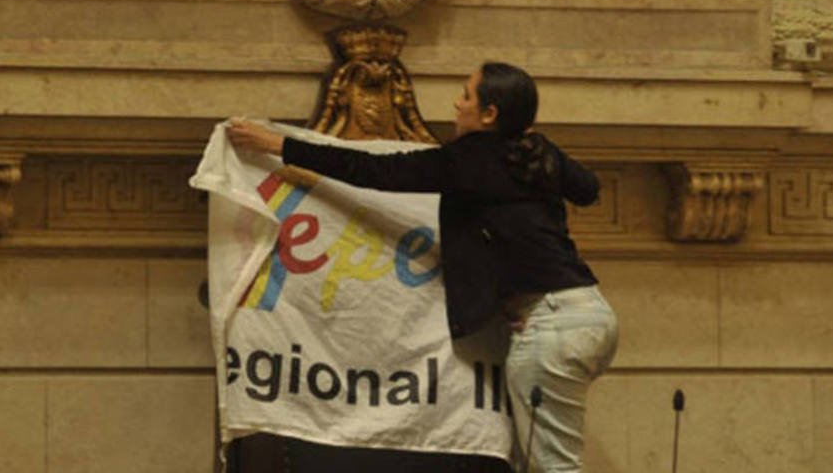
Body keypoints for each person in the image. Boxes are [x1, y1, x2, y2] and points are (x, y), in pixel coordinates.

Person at [227, 62, 618, 472]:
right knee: (535, 463)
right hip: (590, 316)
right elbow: (588, 189)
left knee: (554, 468)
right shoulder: (536, 152)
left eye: (466, 94)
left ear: (489, 114)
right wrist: (540, 149)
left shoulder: (468, 158)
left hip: (551, 329)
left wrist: (278, 144)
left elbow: (374, 170)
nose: (456, 103)